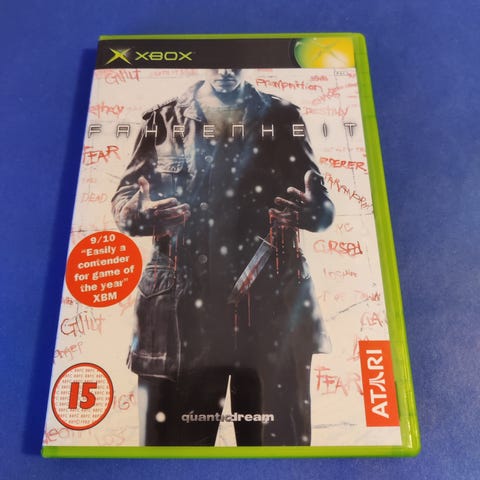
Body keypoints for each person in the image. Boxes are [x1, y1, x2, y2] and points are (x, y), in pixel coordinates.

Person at [112, 69, 334, 446]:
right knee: (171, 457)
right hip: (181, 314)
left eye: (235, 63)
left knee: (280, 457)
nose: (226, 71)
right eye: (218, 63)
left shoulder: (284, 118)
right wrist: (137, 213)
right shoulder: (162, 120)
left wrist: (314, 213)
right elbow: (124, 201)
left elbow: (322, 207)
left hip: (271, 310)